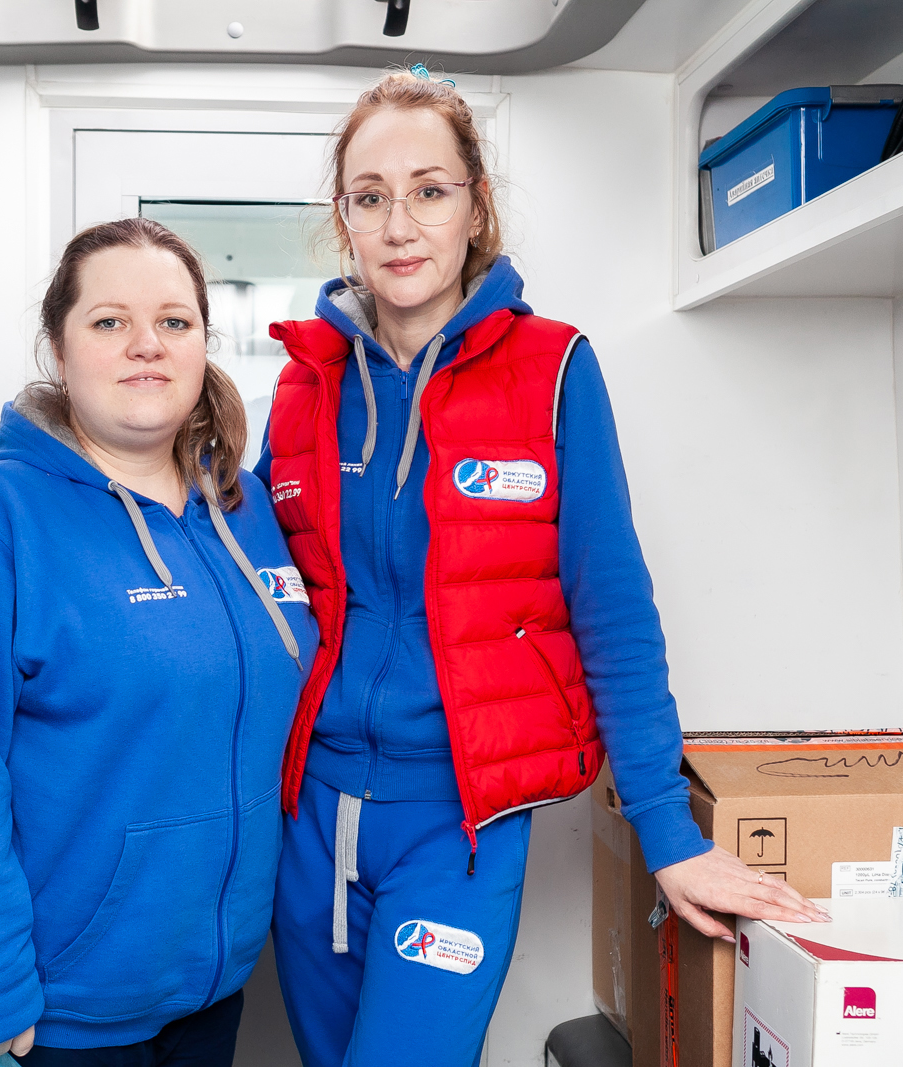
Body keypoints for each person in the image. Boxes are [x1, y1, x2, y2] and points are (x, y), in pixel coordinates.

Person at [254, 70, 832, 1066]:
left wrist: (667, 831)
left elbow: (612, 609)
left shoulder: (554, 368)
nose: (400, 224)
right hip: (307, 824)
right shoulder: (304, 386)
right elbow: (254, 592)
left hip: (459, 825)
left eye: (430, 190)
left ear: (476, 205)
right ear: (341, 218)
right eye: (370, 196)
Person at [0, 218, 317, 1065]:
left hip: (213, 989)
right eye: (110, 321)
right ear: (59, 347)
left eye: (174, 321)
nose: (147, 344)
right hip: (58, 1015)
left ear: (203, 345)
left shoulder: (245, 511)